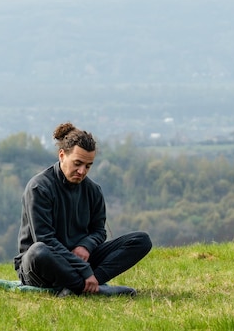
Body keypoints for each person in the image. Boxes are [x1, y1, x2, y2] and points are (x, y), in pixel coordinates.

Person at [14, 122, 152, 297]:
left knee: (141, 240)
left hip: (82, 261)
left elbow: (99, 232)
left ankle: (83, 286)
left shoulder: (93, 191)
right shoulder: (39, 188)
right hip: (42, 267)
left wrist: (85, 246)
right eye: (77, 163)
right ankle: (91, 288)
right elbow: (45, 239)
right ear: (62, 155)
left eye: (88, 166)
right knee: (39, 250)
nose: (82, 171)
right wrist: (84, 270)